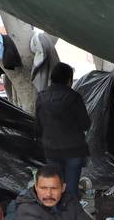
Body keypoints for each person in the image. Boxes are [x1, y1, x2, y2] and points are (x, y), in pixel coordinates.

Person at [34, 62, 91, 196]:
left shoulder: (41, 97)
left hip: (51, 150)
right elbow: (85, 124)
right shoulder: (74, 97)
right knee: (71, 190)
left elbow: (37, 126)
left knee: (54, 188)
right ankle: (69, 214)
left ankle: (55, 214)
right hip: (73, 150)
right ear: (68, 79)